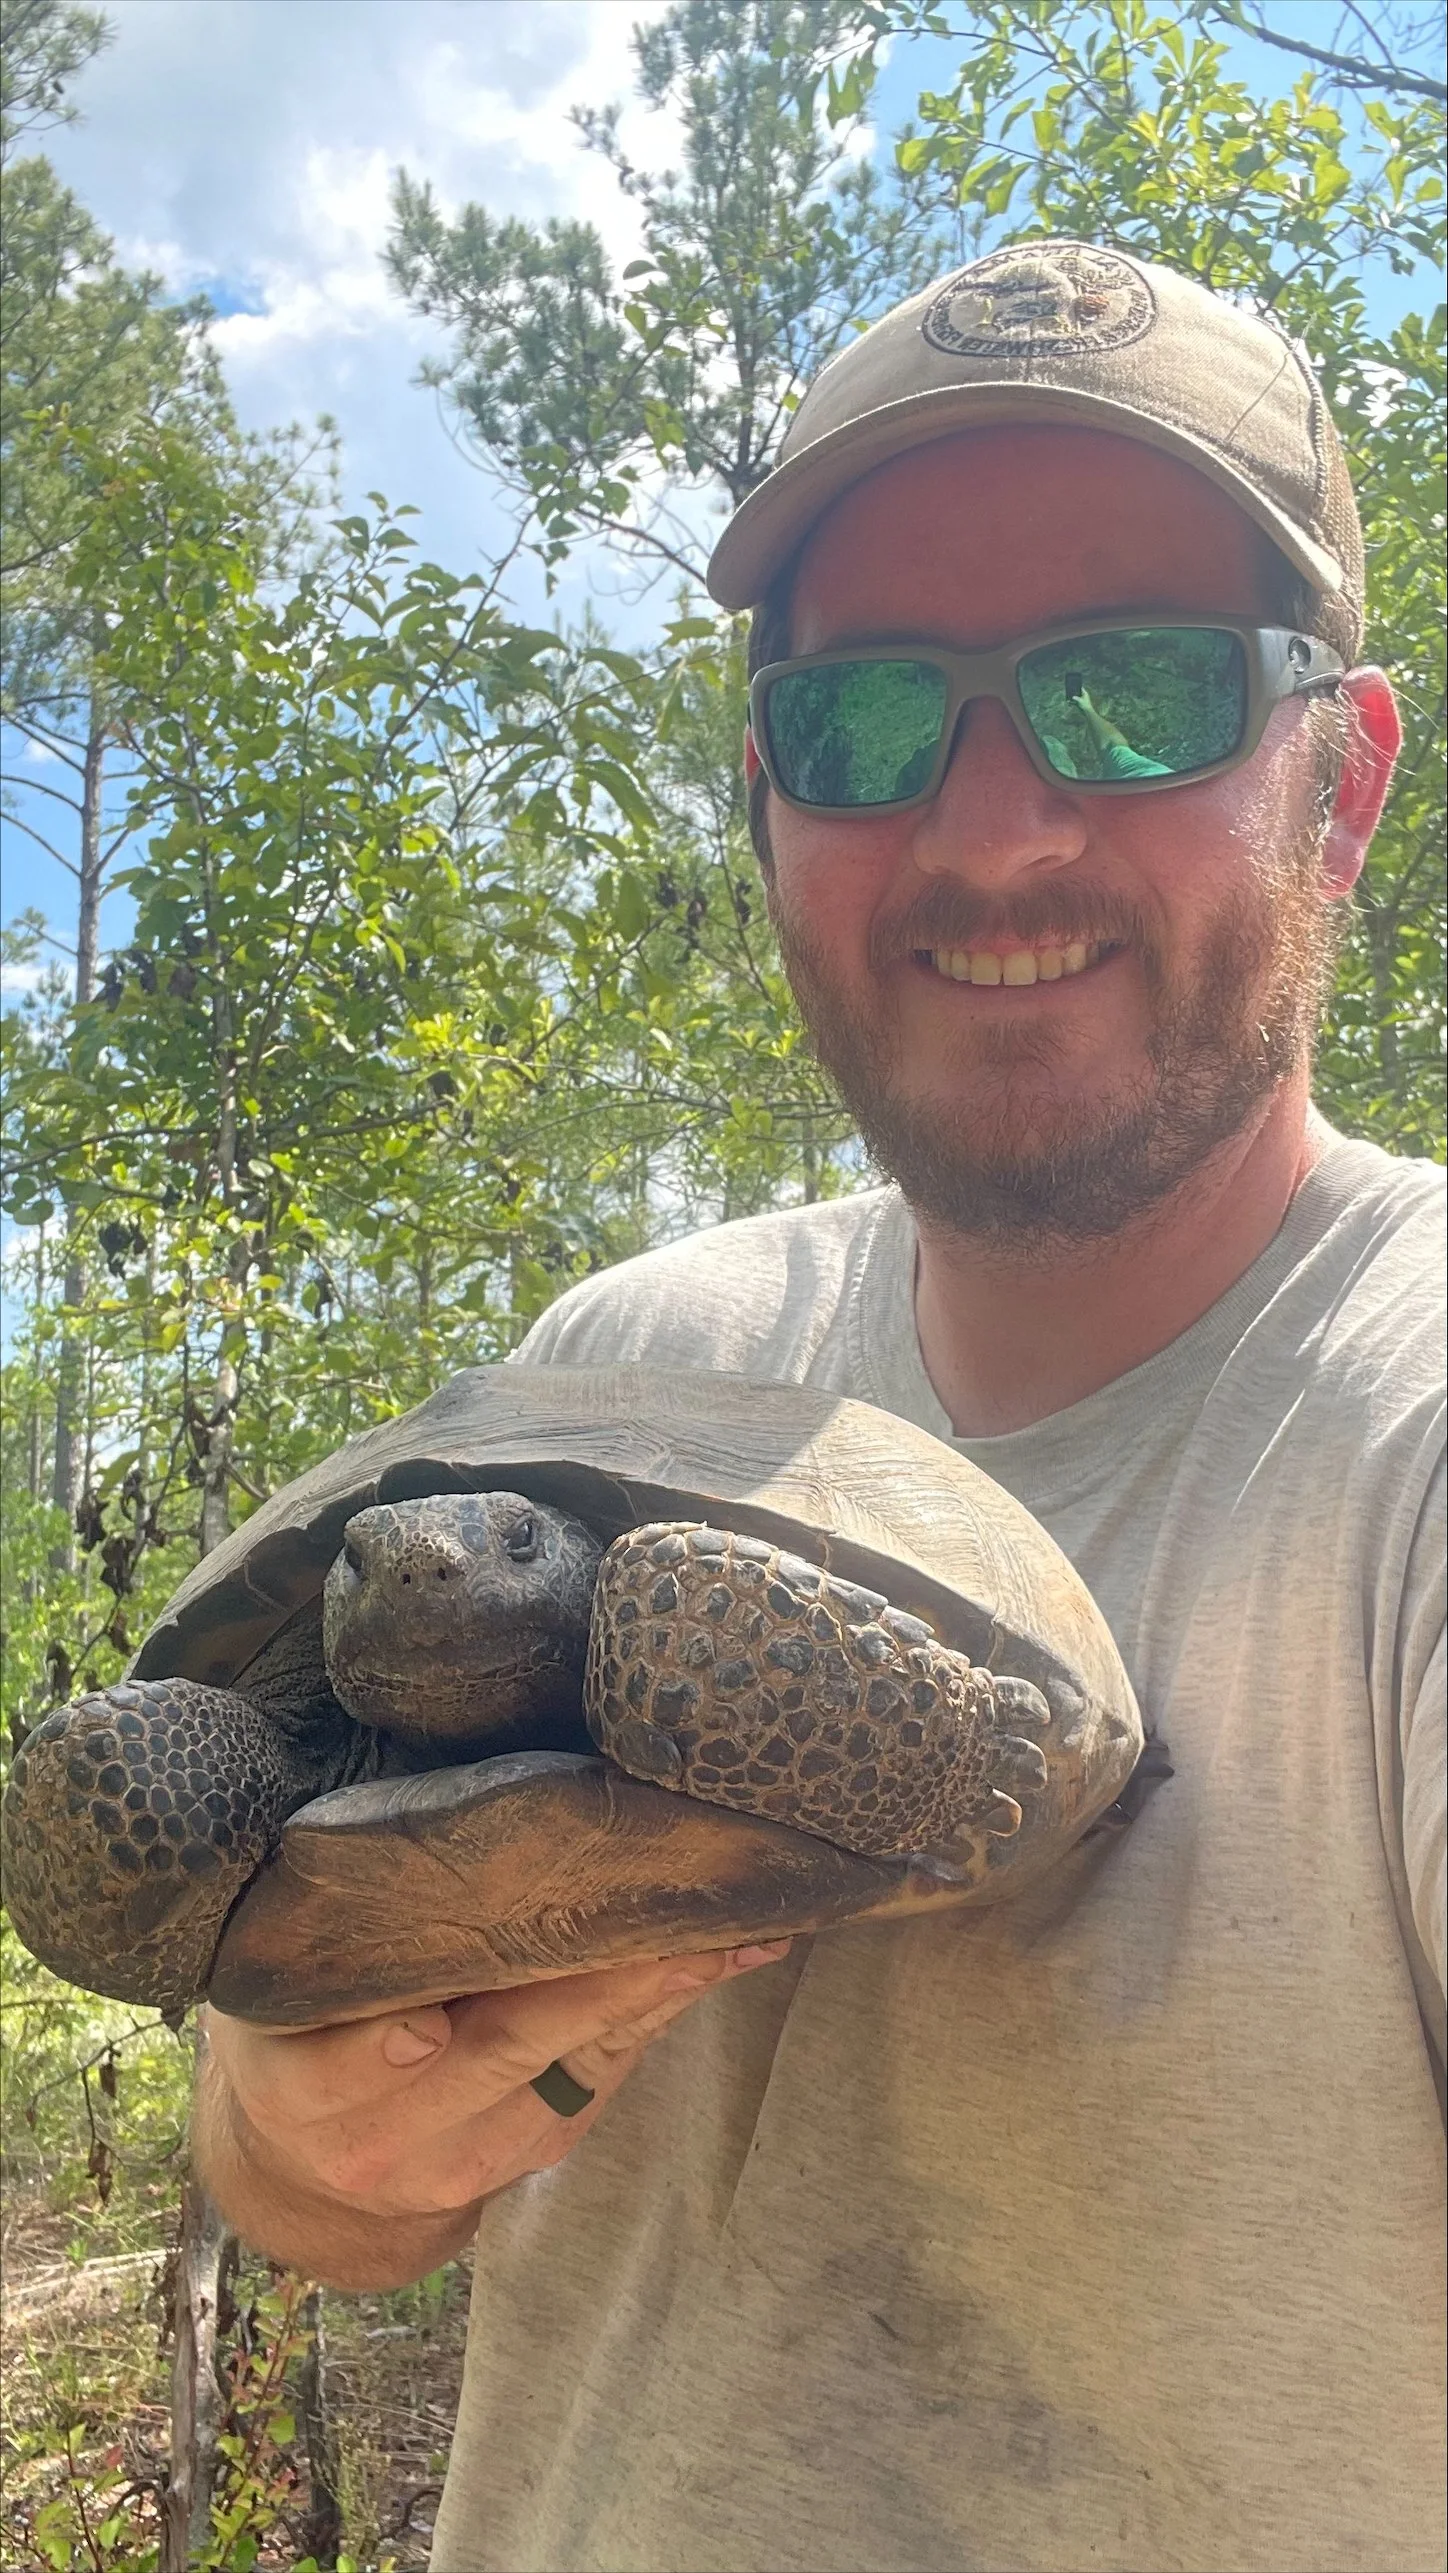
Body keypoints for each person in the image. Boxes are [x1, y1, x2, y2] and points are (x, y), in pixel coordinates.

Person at [197, 240, 1445, 2573]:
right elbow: (312, 2187)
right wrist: (287, 2120)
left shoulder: (1411, 1428)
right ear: (768, 799)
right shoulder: (611, 1367)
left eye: (1139, 692)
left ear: (1341, 779)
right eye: (869, 720)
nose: (991, 836)